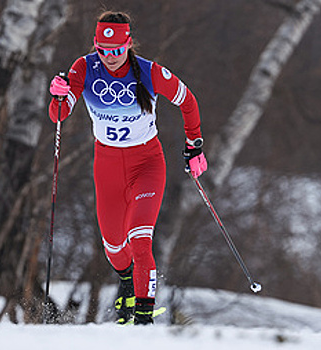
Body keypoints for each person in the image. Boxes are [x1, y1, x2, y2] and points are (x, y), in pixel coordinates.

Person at [48, 11, 207, 325]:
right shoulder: (84, 67)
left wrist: (194, 145)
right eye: (103, 51)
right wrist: (58, 95)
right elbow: (59, 115)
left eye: (117, 51)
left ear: (129, 44)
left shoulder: (150, 73)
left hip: (146, 164)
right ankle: (126, 282)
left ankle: (144, 319)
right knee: (114, 247)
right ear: (96, 46)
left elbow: (188, 100)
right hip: (106, 166)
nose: (110, 58)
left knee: (140, 239)